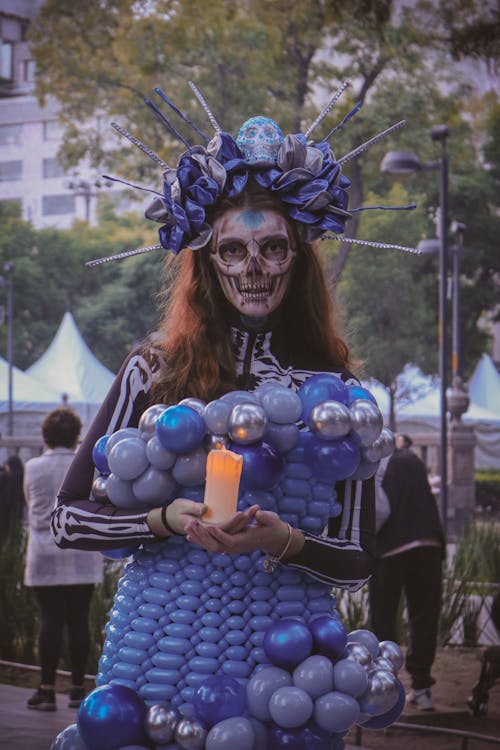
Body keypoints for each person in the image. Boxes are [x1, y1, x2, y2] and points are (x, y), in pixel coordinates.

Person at [50, 99, 410, 722]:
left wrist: (288, 540)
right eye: (233, 251)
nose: (253, 269)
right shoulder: (152, 371)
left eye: (272, 248)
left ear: (297, 258)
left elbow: (356, 561)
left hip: (289, 686)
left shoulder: (337, 397)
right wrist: (160, 519)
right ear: (207, 262)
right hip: (153, 684)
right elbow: (67, 519)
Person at [24, 408, 103, 711]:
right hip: (82, 552)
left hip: (44, 553)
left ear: (45, 435)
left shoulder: (32, 467)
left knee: (50, 621)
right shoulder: (85, 465)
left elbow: (31, 505)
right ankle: (78, 688)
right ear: (76, 436)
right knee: (79, 622)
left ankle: (45, 689)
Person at [369, 433, 445, 711]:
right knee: (424, 617)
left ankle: (386, 687)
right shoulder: (413, 461)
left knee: (384, 618)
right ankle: (422, 688)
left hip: (391, 550)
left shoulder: (379, 464)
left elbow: (380, 510)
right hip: (429, 545)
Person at [0, 454, 26, 549]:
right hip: (17, 513)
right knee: (14, 540)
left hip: (3, 515)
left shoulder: (4, 477)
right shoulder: (23, 478)